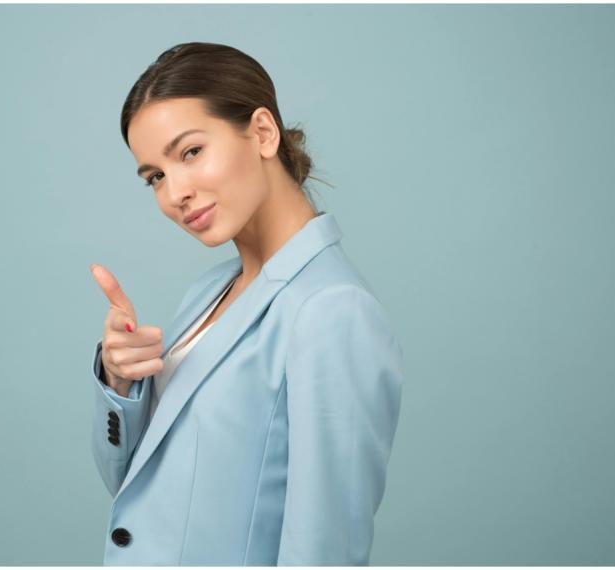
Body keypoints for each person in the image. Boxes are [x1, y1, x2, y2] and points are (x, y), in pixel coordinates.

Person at [88, 41, 405, 566]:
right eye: (155, 177)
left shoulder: (332, 310)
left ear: (262, 132)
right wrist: (121, 384)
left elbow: (327, 550)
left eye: (189, 152)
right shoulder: (207, 291)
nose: (174, 193)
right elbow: (135, 494)